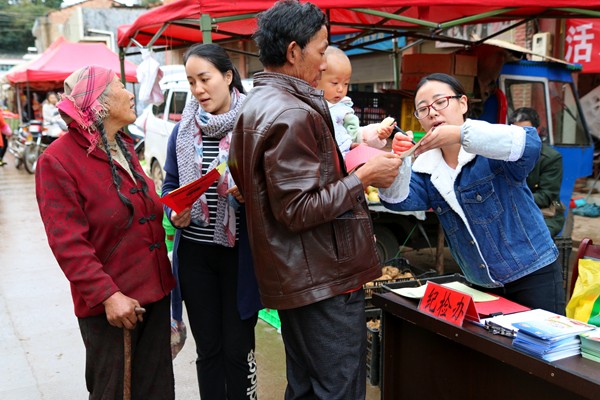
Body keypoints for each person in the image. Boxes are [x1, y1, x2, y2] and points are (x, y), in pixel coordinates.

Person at [229, 1, 403, 399]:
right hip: (323, 277)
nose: (325, 63)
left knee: (306, 386)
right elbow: (296, 208)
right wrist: (362, 177)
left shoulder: (254, 105)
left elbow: (245, 180)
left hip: (294, 274)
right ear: (294, 51)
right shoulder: (294, 112)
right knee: (336, 388)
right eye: (322, 50)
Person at [35, 66, 176, 399]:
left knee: (156, 391)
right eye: (121, 87)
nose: (130, 94)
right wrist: (108, 296)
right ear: (99, 103)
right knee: (114, 392)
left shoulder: (122, 145)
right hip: (115, 309)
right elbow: (68, 244)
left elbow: (142, 209)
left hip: (154, 296)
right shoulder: (57, 161)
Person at [380, 72, 565, 314]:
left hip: (533, 271)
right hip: (481, 282)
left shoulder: (492, 148)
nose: (433, 112)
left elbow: (529, 144)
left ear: (463, 103)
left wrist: (460, 134)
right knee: (492, 350)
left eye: (440, 102)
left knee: (541, 349)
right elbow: (397, 200)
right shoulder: (426, 170)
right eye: (423, 109)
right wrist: (400, 160)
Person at [162, 43, 262, 400]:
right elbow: (170, 185)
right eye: (191, 82)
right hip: (196, 259)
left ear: (228, 76)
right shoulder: (183, 131)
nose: (198, 90)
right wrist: (174, 212)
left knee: (239, 349)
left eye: (204, 79)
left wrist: (249, 195)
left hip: (240, 258)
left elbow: (271, 187)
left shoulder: (255, 126)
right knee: (209, 352)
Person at [316, 46, 393, 157]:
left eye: (346, 83)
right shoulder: (308, 106)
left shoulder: (343, 108)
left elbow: (355, 133)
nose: (341, 89)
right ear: (316, 79)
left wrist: (377, 133)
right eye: (335, 83)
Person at [508, 107, 565, 237]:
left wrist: (510, 199)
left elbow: (546, 196)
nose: (521, 136)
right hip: (510, 213)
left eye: (526, 131)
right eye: (516, 131)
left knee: (531, 239)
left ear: (537, 131)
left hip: (542, 214)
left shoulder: (551, 158)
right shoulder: (505, 155)